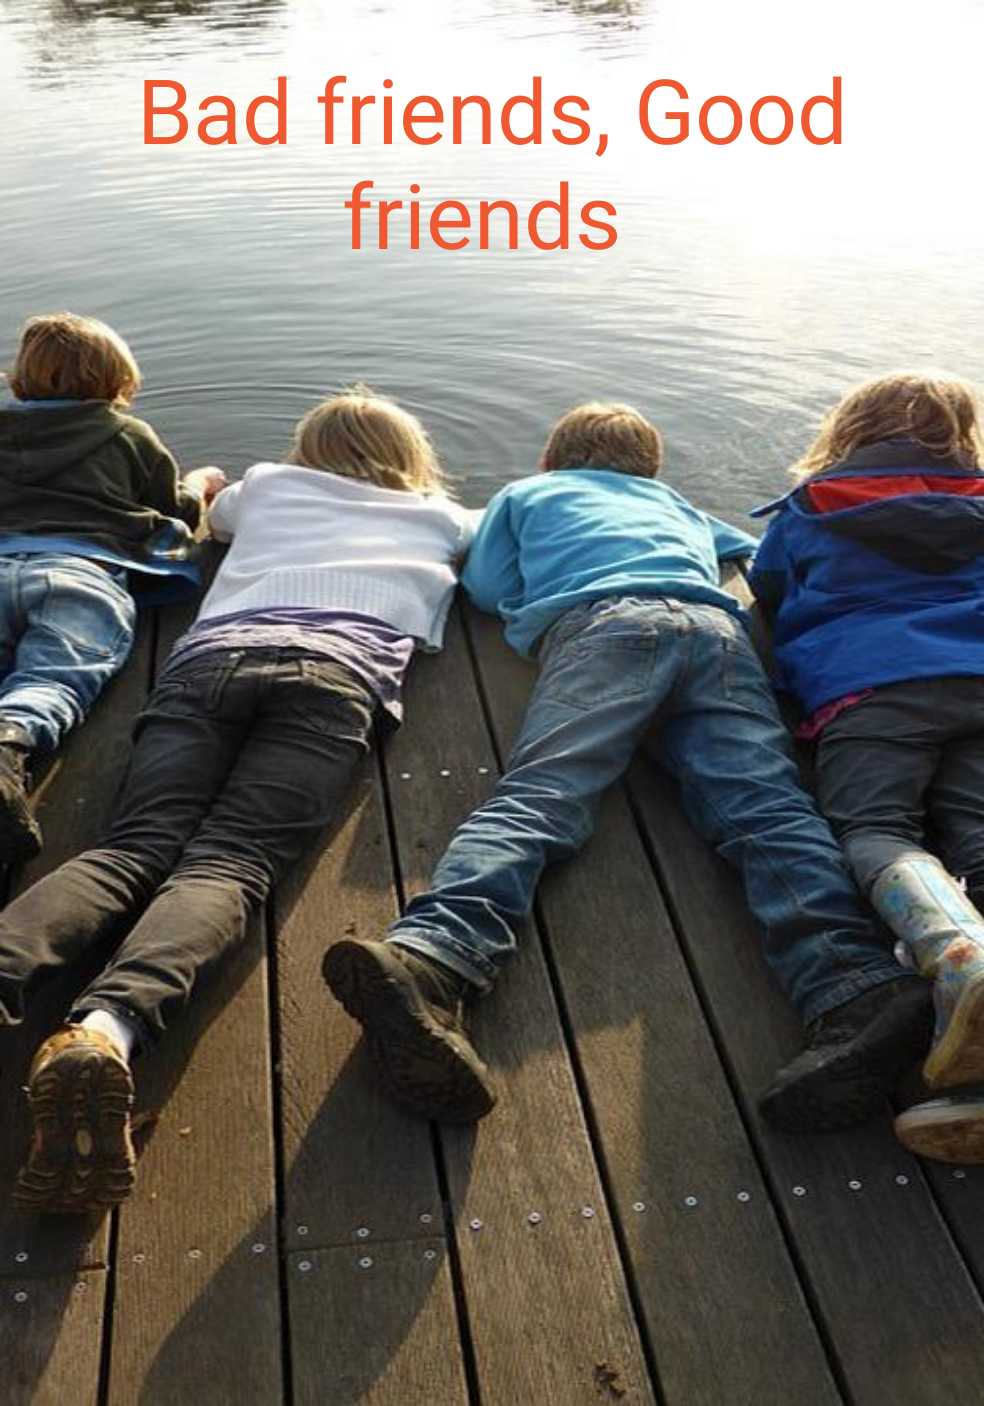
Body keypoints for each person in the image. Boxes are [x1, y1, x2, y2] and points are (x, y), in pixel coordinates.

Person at [324, 401, 929, 1130]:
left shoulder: (529, 492)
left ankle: (436, 955)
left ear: (553, 458)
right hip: (715, 631)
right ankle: (856, 984)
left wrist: (535, 601)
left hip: (606, 627)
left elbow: (485, 585)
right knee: (767, 805)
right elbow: (741, 550)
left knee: (545, 794)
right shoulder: (675, 502)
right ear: (650, 468)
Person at [0, 387, 476, 1213]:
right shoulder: (442, 516)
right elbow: (498, 552)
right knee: (230, 860)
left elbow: (213, 515)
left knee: (132, 847)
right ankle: (105, 1032)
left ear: (306, 449)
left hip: (211, 663)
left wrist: (216, 487)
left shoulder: (272, 485)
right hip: (335, 676)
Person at [747, 372, 984, 1162]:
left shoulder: (812, 505)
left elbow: (770, 591)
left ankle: (958, 953)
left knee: (878, 826)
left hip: (870, 686)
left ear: (849, 428)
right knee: (977, 828)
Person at [0, 312, 225, 859]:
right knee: (55, 672)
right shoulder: (127, 433)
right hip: (80, 574)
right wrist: (200, 482)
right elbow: (173, 508)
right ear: (117, 380)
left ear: (22, 377)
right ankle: (10, 740)